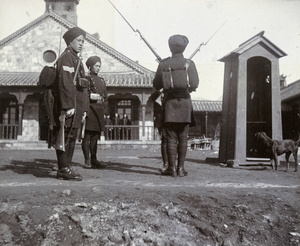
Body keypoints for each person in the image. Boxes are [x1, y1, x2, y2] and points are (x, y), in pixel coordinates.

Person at [153, 34, 199, 177]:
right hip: (185, 104)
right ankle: (181, 168)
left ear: (170, 47)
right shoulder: (190, 64)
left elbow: (156, 84)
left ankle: (171, 168)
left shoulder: (164, 64)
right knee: (183, 137)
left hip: (170, 105)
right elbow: (195, 84)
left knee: (171, 137)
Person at [54, 27, 89, 181]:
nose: (81, 44)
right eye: (79, 41)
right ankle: (63, 168)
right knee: (65, 136)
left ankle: (66, 166)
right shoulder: (67, 57)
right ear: (70, 42)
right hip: (69, 104)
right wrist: (67, 106)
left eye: (83, 41)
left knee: (71, 136)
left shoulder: (75, 58)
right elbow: (65, 83)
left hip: (76, 104)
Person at [82, 56, 108, 169]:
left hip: (99, 111)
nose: (98, 68)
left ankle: (94, 159)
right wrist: (90, 96)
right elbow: (82, 94)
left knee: (95, 137)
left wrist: (105, 109)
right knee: (87, 136)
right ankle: (87, 160)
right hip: (90, 109)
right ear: (90, 66)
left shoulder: (102, 80)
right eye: (96, 66)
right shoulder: (86, 79)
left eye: (99, 66)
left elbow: (105, 97)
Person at [151, 90, 168, 173]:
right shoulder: (156, 104)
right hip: (161, 124)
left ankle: (170, 163)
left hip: (169, 122)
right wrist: (160, 91)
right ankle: (166, 163)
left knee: (171, 142)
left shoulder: (169, 103)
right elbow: (152, 97)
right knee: (164, 141)